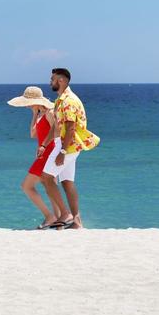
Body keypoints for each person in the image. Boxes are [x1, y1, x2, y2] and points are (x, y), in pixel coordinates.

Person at [40, 68, 100, 229]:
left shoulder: (68, 101)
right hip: (67, 144)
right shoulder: (61, 99)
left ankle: (65, 214)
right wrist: (44, 144)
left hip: (68, 146)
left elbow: (71, 128)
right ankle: (77, 222)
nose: (50, 82)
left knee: (46, 177)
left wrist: (63, 152)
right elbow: (56, 127)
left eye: (52, 79)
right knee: (67, 182)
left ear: (61, 81)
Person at [7, 86, 63, 229]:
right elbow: (33, 134)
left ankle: (50, 217)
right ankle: (59, 222)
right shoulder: (39, 114)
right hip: (43, 154)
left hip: (48, 154)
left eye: (28, 103)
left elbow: (57, 132)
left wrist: (48, 149)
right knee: (49, 187)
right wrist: (34, 114)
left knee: (27, 186)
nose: (27, 106)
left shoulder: (50, 113)